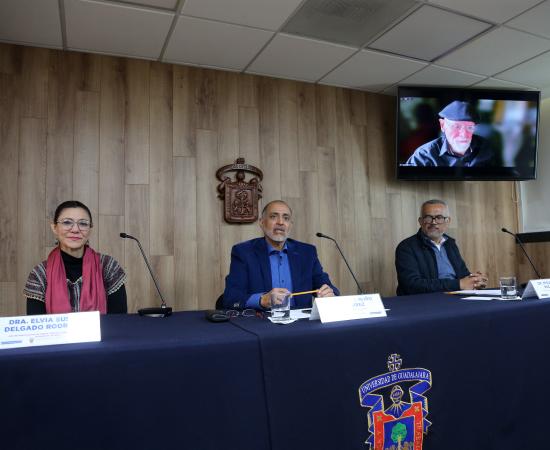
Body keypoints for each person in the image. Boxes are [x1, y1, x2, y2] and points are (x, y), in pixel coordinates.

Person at [222, 200, 339, 310]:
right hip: (261, 322)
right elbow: (231, 298)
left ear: (290, 225)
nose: (280, 222)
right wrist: (261, 300)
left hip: (301, 322)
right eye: (273, 216)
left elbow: (328, 287)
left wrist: (329, 294)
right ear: (262, 222)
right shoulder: (244, 252)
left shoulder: (307, 253)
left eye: (286, 218)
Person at [24, 200, 127, 315]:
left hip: (106, 328)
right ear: (54, 228)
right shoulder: (40, 274)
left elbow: (119, 320)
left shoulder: (108, 266)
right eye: (67, 222)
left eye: (83, 224)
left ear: (90, 230)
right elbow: (37, 324)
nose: (75, 230)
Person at [395, 199, 487, 295]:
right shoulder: (406, 247)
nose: (434, 222)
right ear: (421, 221)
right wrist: (458, 284)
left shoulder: (450, 244)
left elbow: (463, 275)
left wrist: (474, 280)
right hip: (426, 300)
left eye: (439, 217)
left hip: (455, 295)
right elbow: (412, 285)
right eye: (428, 217)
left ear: (448, 221)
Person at [405, 100, 493, 167]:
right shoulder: (425, 155)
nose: (464, 134)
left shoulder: (486, 148)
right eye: (457, 127)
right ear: (442, 125)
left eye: (469, 127)